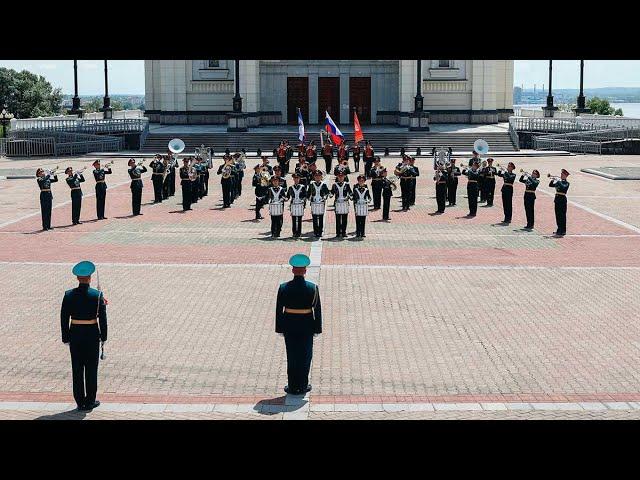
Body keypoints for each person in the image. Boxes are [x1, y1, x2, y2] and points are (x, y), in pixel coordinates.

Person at [60, 261, 108, 411]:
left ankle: (80, 401)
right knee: (91, 369)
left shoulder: (68, 295)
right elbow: (103, 319)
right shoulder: (97, 295)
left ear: (77, 278)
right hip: (92, 334)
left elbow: (63, 318)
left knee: (77, 368)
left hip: (75, 334)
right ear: (90, 278)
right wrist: (104, 337)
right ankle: (90, 400)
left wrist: (66, 337)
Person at [275, 254, 322, 395]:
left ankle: (292, 385)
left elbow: (279, 310)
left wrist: (280, 328)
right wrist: (317, 328)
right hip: (306, 325)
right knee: (305, 355)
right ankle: (302, 385)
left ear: (293, 270)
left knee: (292, 355)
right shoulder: (312, 288)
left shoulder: (283, 288)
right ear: (305, 271)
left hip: (289, 325)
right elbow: (317, 310)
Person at [308, 170, 330, 237]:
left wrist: (325, 197)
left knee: (321, 217)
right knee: (314, 217)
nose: (317, 177)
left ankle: (320, 231)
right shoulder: (311, 184)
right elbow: (308, 193)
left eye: (319, 176)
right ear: (314, 177)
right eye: (316, 176)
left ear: (321, 177)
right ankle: (315, 231)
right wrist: (309, 198)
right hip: (314, 202)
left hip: (321, 202)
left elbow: (327, 193)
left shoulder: (324, 184)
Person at [331, 171, 352, 238]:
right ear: (337, 177)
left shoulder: (347, 185)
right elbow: (331, 194)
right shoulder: (334, 185)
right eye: (339, 176)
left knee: (344, 218)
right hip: (337, 203)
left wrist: (348, 197)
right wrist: (328, 194)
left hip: (345, 203)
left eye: (342, 176)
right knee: (338, 219)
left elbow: (350, 193)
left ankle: (343, 232)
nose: (340, 178)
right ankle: (338, 232)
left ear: (344, 177)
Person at [550, 169, 570, 236]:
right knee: (557, 215)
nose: (561, 175)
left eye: (562, 174)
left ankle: (563, 231)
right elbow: (550, 185)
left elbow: (563, 187)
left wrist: (558, 181)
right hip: (557, 200)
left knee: (562, 216)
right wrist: (553, 180)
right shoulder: (559, 182)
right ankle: (559, 229)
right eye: (561, 174)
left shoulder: (567, 183)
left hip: (562, 200)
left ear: (566, 176)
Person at [288, 173, 307, 238]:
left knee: (299, 219)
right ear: (293, 179)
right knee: (293, 219)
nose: (296, 180)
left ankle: (299, 232)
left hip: (300, 204)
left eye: (297, 178)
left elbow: (305, 196)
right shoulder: (291, 188)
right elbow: (287, 196)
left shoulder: (302, 187)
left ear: (299, 179)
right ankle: (294, 232)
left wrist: (303, 202)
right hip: (293, 204)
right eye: (295, 178)